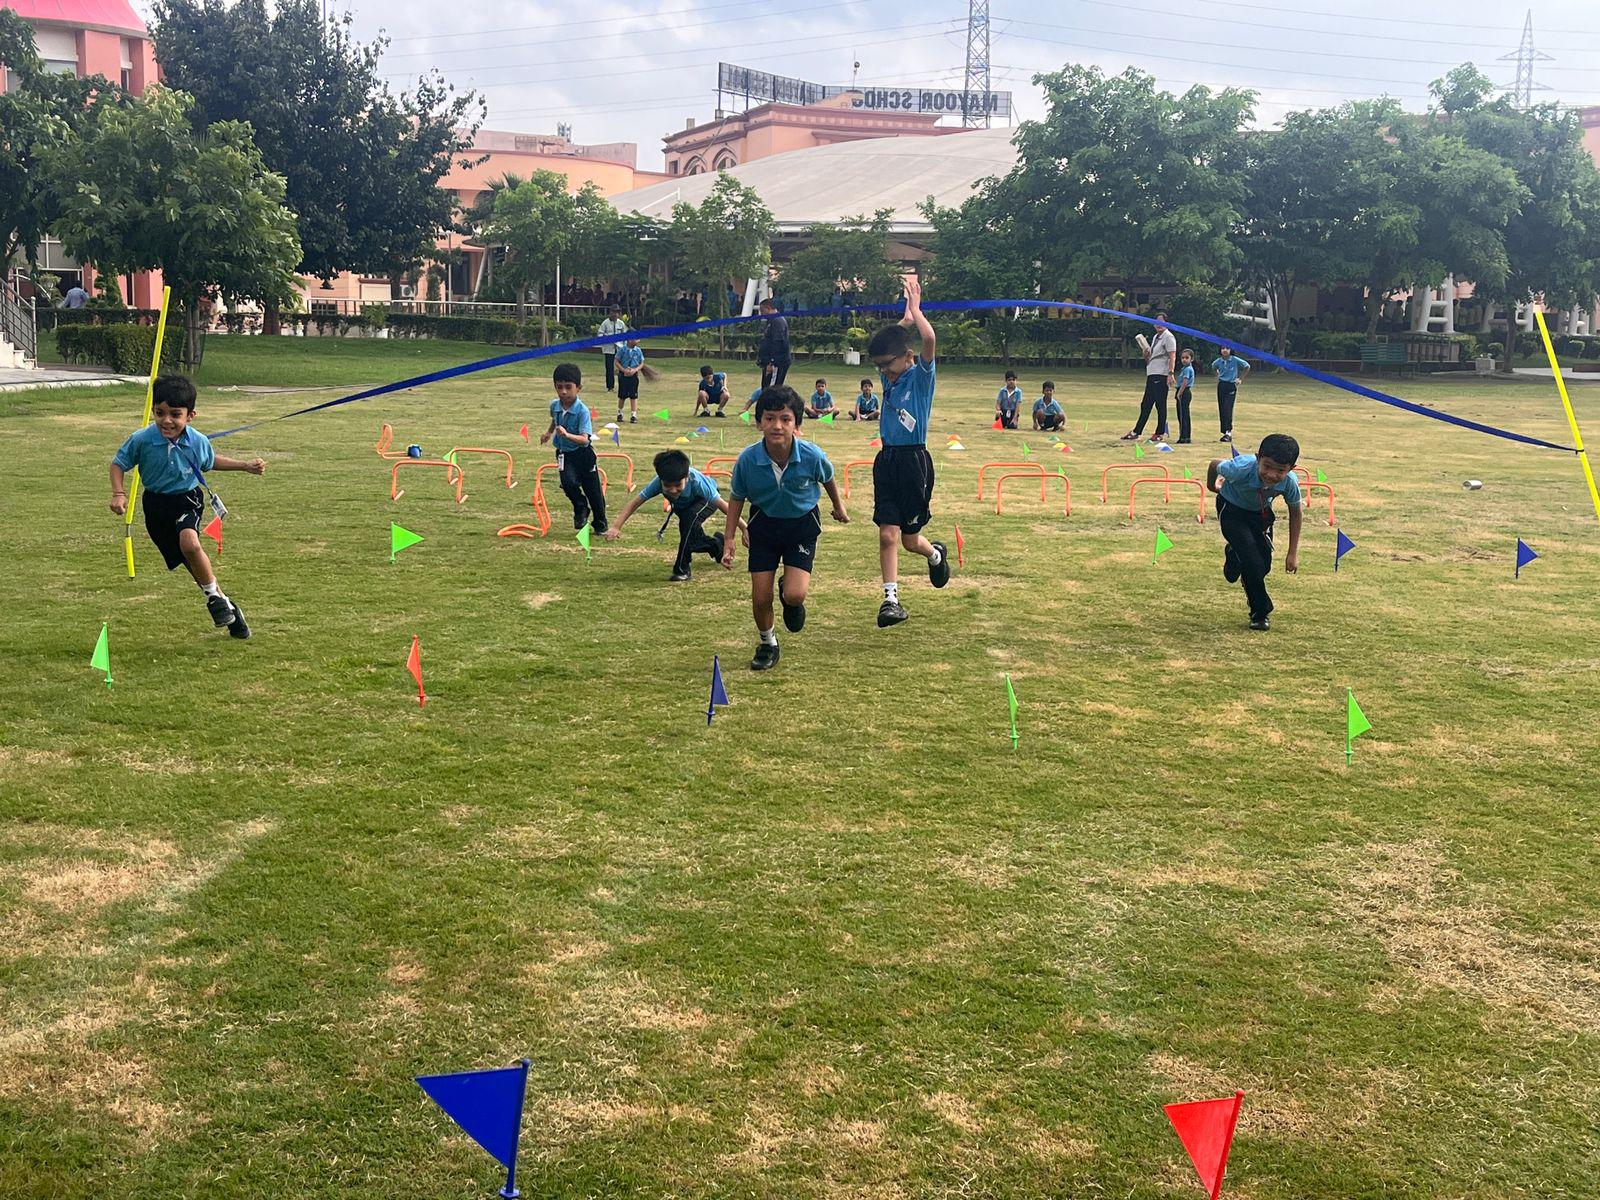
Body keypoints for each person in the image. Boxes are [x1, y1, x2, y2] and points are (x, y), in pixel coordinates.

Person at [108, 374, 262, 639]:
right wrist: (119, 493)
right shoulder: (142, 439)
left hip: (186, 499)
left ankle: (214, 597)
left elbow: (210, 461)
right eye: (160, 413)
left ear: (190, 416)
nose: (167, 420)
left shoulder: (197, 441)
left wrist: (245, 466)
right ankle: (226, 606)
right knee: (192, 564)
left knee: (190, 544)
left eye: (175, 414)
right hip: (155, 507)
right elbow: (118, 463)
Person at [720, 386, 848, 670]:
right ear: (758, 422)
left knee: (795, 594)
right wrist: (729, 538)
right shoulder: (748, 460)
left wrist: (838, 507)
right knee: (760, 596)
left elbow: (827, 478)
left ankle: (789, 595)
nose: (777, 425)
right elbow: (736, 498)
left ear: (797, 425)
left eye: (785, 419)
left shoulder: (812, 456)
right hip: (764, 526)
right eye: (769, 418)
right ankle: (767, 643)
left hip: (801, 526)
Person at [868, 274, 949, 628]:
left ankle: (934, 554)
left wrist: (916, 311)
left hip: (914, 461)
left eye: (887, 365)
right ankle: (890, 600)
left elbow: (929, 337)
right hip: (886, 461)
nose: (883, 372)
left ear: (908, 357)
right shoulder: (891, 376)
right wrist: (903, 316)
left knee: (911, 539)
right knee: (888, 534)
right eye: (880, 367)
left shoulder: (920, 378)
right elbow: (893, 339)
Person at [1206, 433, 1303, 631]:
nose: (1271, 475)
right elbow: (1215, 464)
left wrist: (1292, 553)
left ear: (1291, 469)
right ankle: (1260, 612)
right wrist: (1212, 486)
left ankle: (1233, 555)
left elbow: (1296, 513)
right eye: (1266, 466)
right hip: (1231, 510)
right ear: (1258, 458)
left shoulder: (1290, 482)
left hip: (1260, 514)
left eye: (1280, 470)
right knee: (1251, 560)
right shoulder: (1240, 468)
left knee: (1262, 566)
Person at [604, 449, 745, 581]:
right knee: (691, 538)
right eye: (667, 485)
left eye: (678, 484)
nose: (672, 490)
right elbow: (635, 503)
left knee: (690, 520)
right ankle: (715, 545)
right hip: (684, 507)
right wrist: (616, 527)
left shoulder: (698, 482)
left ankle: (681, 569)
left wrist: (745, 528)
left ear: (687, 477)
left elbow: (726, 507)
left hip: (706, 502)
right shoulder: (657, 483)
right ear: (661, 480)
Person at [539, 362, 608, 534]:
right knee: (567, 482)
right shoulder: (554, 405)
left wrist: (567, 435)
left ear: (578, 388)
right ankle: (580, 507)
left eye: (568, 387)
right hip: (564, 454)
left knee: (594, 491)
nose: (563, 392)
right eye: (559, 387)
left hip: (583, 455)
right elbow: (555, 419)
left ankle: (600, 523)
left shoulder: (582, 411)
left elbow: (585, 440)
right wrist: (548, 433)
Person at [1123, 312, 1177, 443]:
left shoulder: (1168, 337)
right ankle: (1137, 431)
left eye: (1161, 321)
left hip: (1161, 373)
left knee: (1160, 404)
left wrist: (1170, 373)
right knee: (1146, 404)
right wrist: (1145, 353)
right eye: (1156, 321)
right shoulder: (1155, 338)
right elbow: (1149, 358)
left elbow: (1172, 356)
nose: (1158, 324)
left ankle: (1159, 433)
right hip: (1152, 373)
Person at [1211, 346, 1252, 443]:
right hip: (1221, 385)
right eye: (1223, 348)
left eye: (1227, 348)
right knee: (1222, 408)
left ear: (1231, 350)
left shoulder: (1234, 360)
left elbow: (1247, 366)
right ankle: (1224, 431)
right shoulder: (1218, 361)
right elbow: (1213, 367)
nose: (1225, 350)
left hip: (1231, 385)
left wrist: (1240, 378)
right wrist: (1217, 376)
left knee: (1228, 408)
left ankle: (1228, 432)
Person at [756, 297, 792, 390]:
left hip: (777, 363)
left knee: (772, 390)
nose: (761, 314)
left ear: (768, 308)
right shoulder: (771, 321)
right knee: (766, 387)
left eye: (762, 311)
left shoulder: (777, 321)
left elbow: (778, 343)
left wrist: (771, 362)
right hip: (770, 362)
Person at [598, 305, 628, 392]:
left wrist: (625, 347)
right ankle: (610, 387)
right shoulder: (605, 323)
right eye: (613, 312)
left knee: (622, 368)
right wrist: (606, 338)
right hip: (608, 349)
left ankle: (623, 386)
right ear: (610, 312)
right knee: (609, 369)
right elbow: (600, 334)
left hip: (619, 349)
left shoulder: (621, 323)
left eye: (617, 312)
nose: (615, 314)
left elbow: (625, 335)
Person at [615, 337, 644, 424]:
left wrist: (635, 370)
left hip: (633, 376)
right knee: (622, 395)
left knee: (633, 396)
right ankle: (620, 413)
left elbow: (641, 363)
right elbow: (616, 361)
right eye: (636, 339)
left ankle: (633, 415)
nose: (638, 341)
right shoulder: (622, 350)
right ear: (629, 340)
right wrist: (623, 370)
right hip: (623, 375)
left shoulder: (638, 350)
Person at [1173, 348, 1196, 444]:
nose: (1184, 360)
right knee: (1184, 414)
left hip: (1184, 392)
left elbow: (1185, 382)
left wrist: (1179, 393)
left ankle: (1183, 437)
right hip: (1183, 391)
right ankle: (1186, 436)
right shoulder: (1185, 369)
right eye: (1182, 358)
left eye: (1187, 358)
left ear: (1191, 359)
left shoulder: (1187, 369)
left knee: (1182, 415)